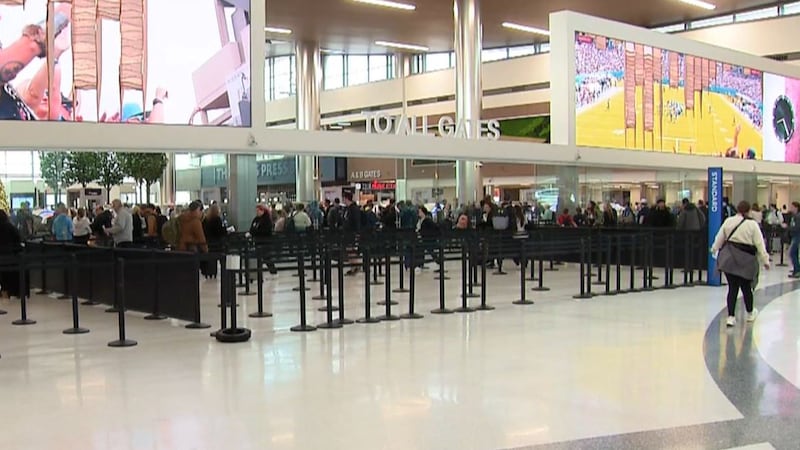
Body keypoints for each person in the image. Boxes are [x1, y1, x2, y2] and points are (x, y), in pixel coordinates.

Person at [711, 201, 770, 327]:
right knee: (746, 288)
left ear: (737, 210)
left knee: (732, 288)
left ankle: (731, 317)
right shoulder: (752, 225)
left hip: (729, 259)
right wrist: (765, 260)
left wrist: (714, 249)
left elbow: (719, 238)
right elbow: (760, 244)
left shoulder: (729, 221)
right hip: (746, 260)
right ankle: (750, 313)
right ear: (749, 211)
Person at [0, 210, 24, 299]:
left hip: (1, 256)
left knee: (3, 276)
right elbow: (18, 239)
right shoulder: (11, 227)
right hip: (11, 255)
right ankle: (10, 292)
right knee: (10, 274)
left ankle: (4, 292)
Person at [783, 201, 800, 278]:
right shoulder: (794, 216)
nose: (791, 208)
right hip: (794, 236)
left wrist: (787, 227)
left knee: (792, 253)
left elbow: (796, 228)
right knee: (794, 253)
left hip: (797, 236)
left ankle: (797, 270)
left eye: (792, 207)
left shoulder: (798, 217)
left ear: (796, 208)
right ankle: (796, 269)